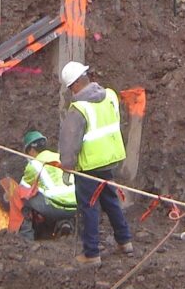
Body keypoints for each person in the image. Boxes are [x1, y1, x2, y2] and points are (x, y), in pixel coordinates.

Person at [58, 61, 134, 265]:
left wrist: (67, 167)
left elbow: (69, 142)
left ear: (73, 85)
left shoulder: (78, 109)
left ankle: (91, 254)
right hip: (110, 159)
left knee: (88, 206)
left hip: (90, 166)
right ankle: (124, 240)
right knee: (110, 200)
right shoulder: (109, 95)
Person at [18, 130, 76, 241]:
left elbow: (23, 189)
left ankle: (26, 237)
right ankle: (65, 223)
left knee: (21, 198)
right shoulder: (59, 157)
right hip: (74, 205)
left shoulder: (33, 164)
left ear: (31, 150)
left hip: (55, 206)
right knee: (61, 198)